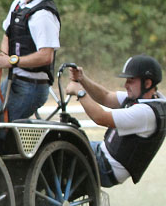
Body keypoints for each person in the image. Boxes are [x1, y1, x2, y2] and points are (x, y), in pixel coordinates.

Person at [65, 55, 166, 187]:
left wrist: (80, 92)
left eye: (130, 81)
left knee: (57, 153)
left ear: (147, 83)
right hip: (102, 152)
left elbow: (100, 117)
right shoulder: (148, 98)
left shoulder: (146, 113)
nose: (125, 85)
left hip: (105, 167)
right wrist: (82, 79)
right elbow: (105, 96)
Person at [0, 0, 61, 120]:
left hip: (31, 88)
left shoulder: (44, 15)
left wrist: (11, 61)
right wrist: (4, 55)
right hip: (13, 81)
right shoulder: (19, 3)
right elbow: (8, 33)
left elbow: (46, 56)